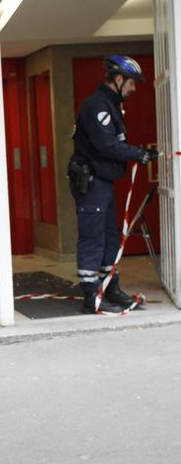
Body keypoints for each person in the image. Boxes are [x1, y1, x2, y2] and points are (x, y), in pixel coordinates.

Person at [68, 55, 158, 314]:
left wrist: (137, 153)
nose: (134, 88)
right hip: (92, 184)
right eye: (132, 83)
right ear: (119, 80)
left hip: (103, 184)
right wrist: (137, 153)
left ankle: (109, 287)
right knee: (93, 238)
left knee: (109, 237)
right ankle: (90, 296)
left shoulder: (111, 105)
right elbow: (106, 145)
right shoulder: (97, 106)